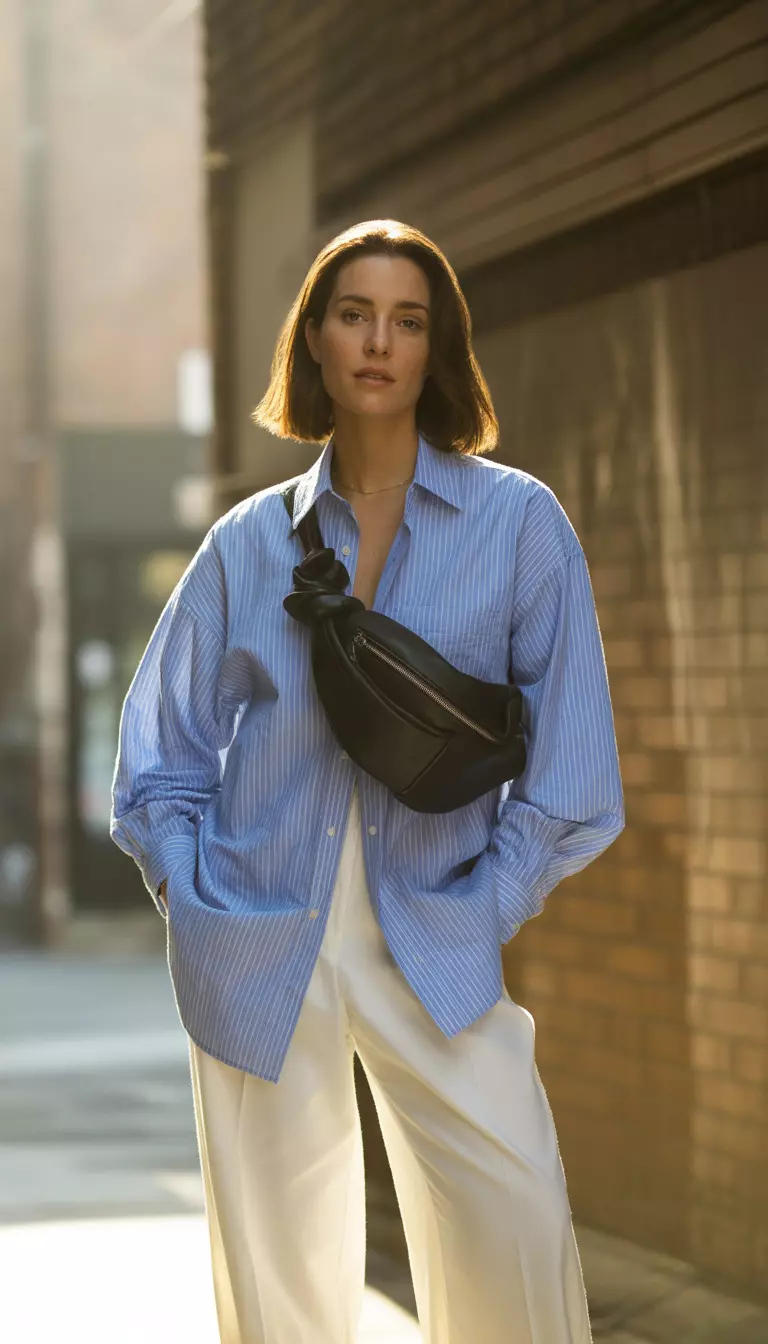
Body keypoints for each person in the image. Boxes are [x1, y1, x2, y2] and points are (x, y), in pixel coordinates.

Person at [111, 218, 624, 1344]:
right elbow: (160, 757)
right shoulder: (251, 543)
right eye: (354, 315)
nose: (379, 341)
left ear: (438, 349)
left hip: (436, 928)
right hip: (258, 929)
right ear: (315, 342)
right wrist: (195, 899)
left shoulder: (519, 522)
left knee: (517, 1224)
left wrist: (484, 909)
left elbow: (577, 777)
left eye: (408, 319)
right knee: (279, 1293)